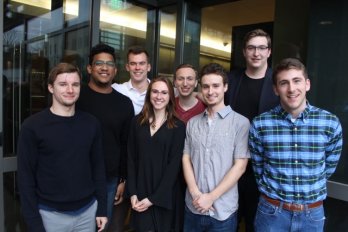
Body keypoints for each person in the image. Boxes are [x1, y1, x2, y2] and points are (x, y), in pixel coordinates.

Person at [249, 58, 343, 232]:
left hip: (312, 215)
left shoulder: (330, 122)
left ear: (307, 84)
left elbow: (329, 167)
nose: (291, 89)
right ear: (276, 89)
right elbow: (258, 167)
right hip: (271, 213)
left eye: (297, 81)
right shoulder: (260, 124)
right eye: (284, 83)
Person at [17, 63, 107, 232]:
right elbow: (25, 178)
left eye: (75, 84)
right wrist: (34, 223)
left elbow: (98, 168)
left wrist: (101, 208)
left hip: (87, 213)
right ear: (51, 88)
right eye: (63, 84)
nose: (70, 90)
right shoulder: (32, 126)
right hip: (49, 216)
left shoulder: (91, 123)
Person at [183, 63, 250, 231]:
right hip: (193, 208)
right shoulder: (193, 122)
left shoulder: (240, 123)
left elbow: (240, 166)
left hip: (223, 213)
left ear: (225, 87)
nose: (210, 91)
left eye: (215, 86)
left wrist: (211, 197)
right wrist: (196, 194)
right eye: (205, 86)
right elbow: (186, 158)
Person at [224, 28, 279, 231]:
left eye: (262, 48)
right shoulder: (230, 80)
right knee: (228, 219)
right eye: (251, 48)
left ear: (269, 51)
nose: (256, 53)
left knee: (257, 223)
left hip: (263, 169)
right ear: (244, 52)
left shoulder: (278, 83)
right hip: (230, 164)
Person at [76, 43, 134, 228]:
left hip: (109, 180)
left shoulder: (124, 103)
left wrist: (122, 179)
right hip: (77, 175)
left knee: (102, 227)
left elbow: (126, 144)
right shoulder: (77, 96)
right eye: (99, 63)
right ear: (89, 68)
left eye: (109, 64)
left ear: (115, 70)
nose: (104, 67)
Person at [127, 76, 186, 232]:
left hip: (165, 196)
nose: (159, 96)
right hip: (140, 192)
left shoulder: (178, 127)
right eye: (155, 92)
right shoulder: (136, 122)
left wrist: (153, 199)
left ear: (170, 97)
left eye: (164, 93)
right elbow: (131, 159)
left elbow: (174, 166)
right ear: (149, 94)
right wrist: (132, 192)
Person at [112, 45, 151, 115]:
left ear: (148, 67)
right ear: (127, 67)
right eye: (133, 64)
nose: (137, 68)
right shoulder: (116, 89)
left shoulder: (159, 92)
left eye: (142, 63)